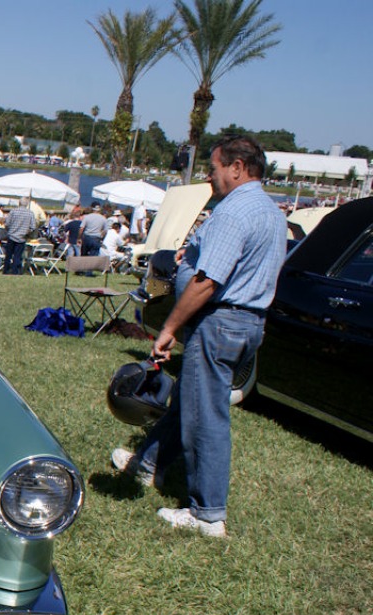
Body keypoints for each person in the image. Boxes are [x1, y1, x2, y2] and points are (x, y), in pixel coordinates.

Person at [112, 135, 287, 538]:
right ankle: (148, 464)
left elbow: (208, 281)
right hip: (249, 323)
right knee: (189, 402)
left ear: (237, 168)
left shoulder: (234, 212)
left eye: (213, 168)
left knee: (205, 416)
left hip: (221, 321)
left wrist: (169, 327)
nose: (210, 177)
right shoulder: (272, 212)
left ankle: (207, 513)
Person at [1, 200, 37, 275]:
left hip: (12, 235)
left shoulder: (13, 211)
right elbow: (33, 227)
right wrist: (26, 232)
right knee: (17, 256)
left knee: (8, 255)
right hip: (22, 237)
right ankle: (15, 271)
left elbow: (7, 224)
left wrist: (9, 230)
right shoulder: (30, 213)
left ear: (19, 203)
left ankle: (6, 270)